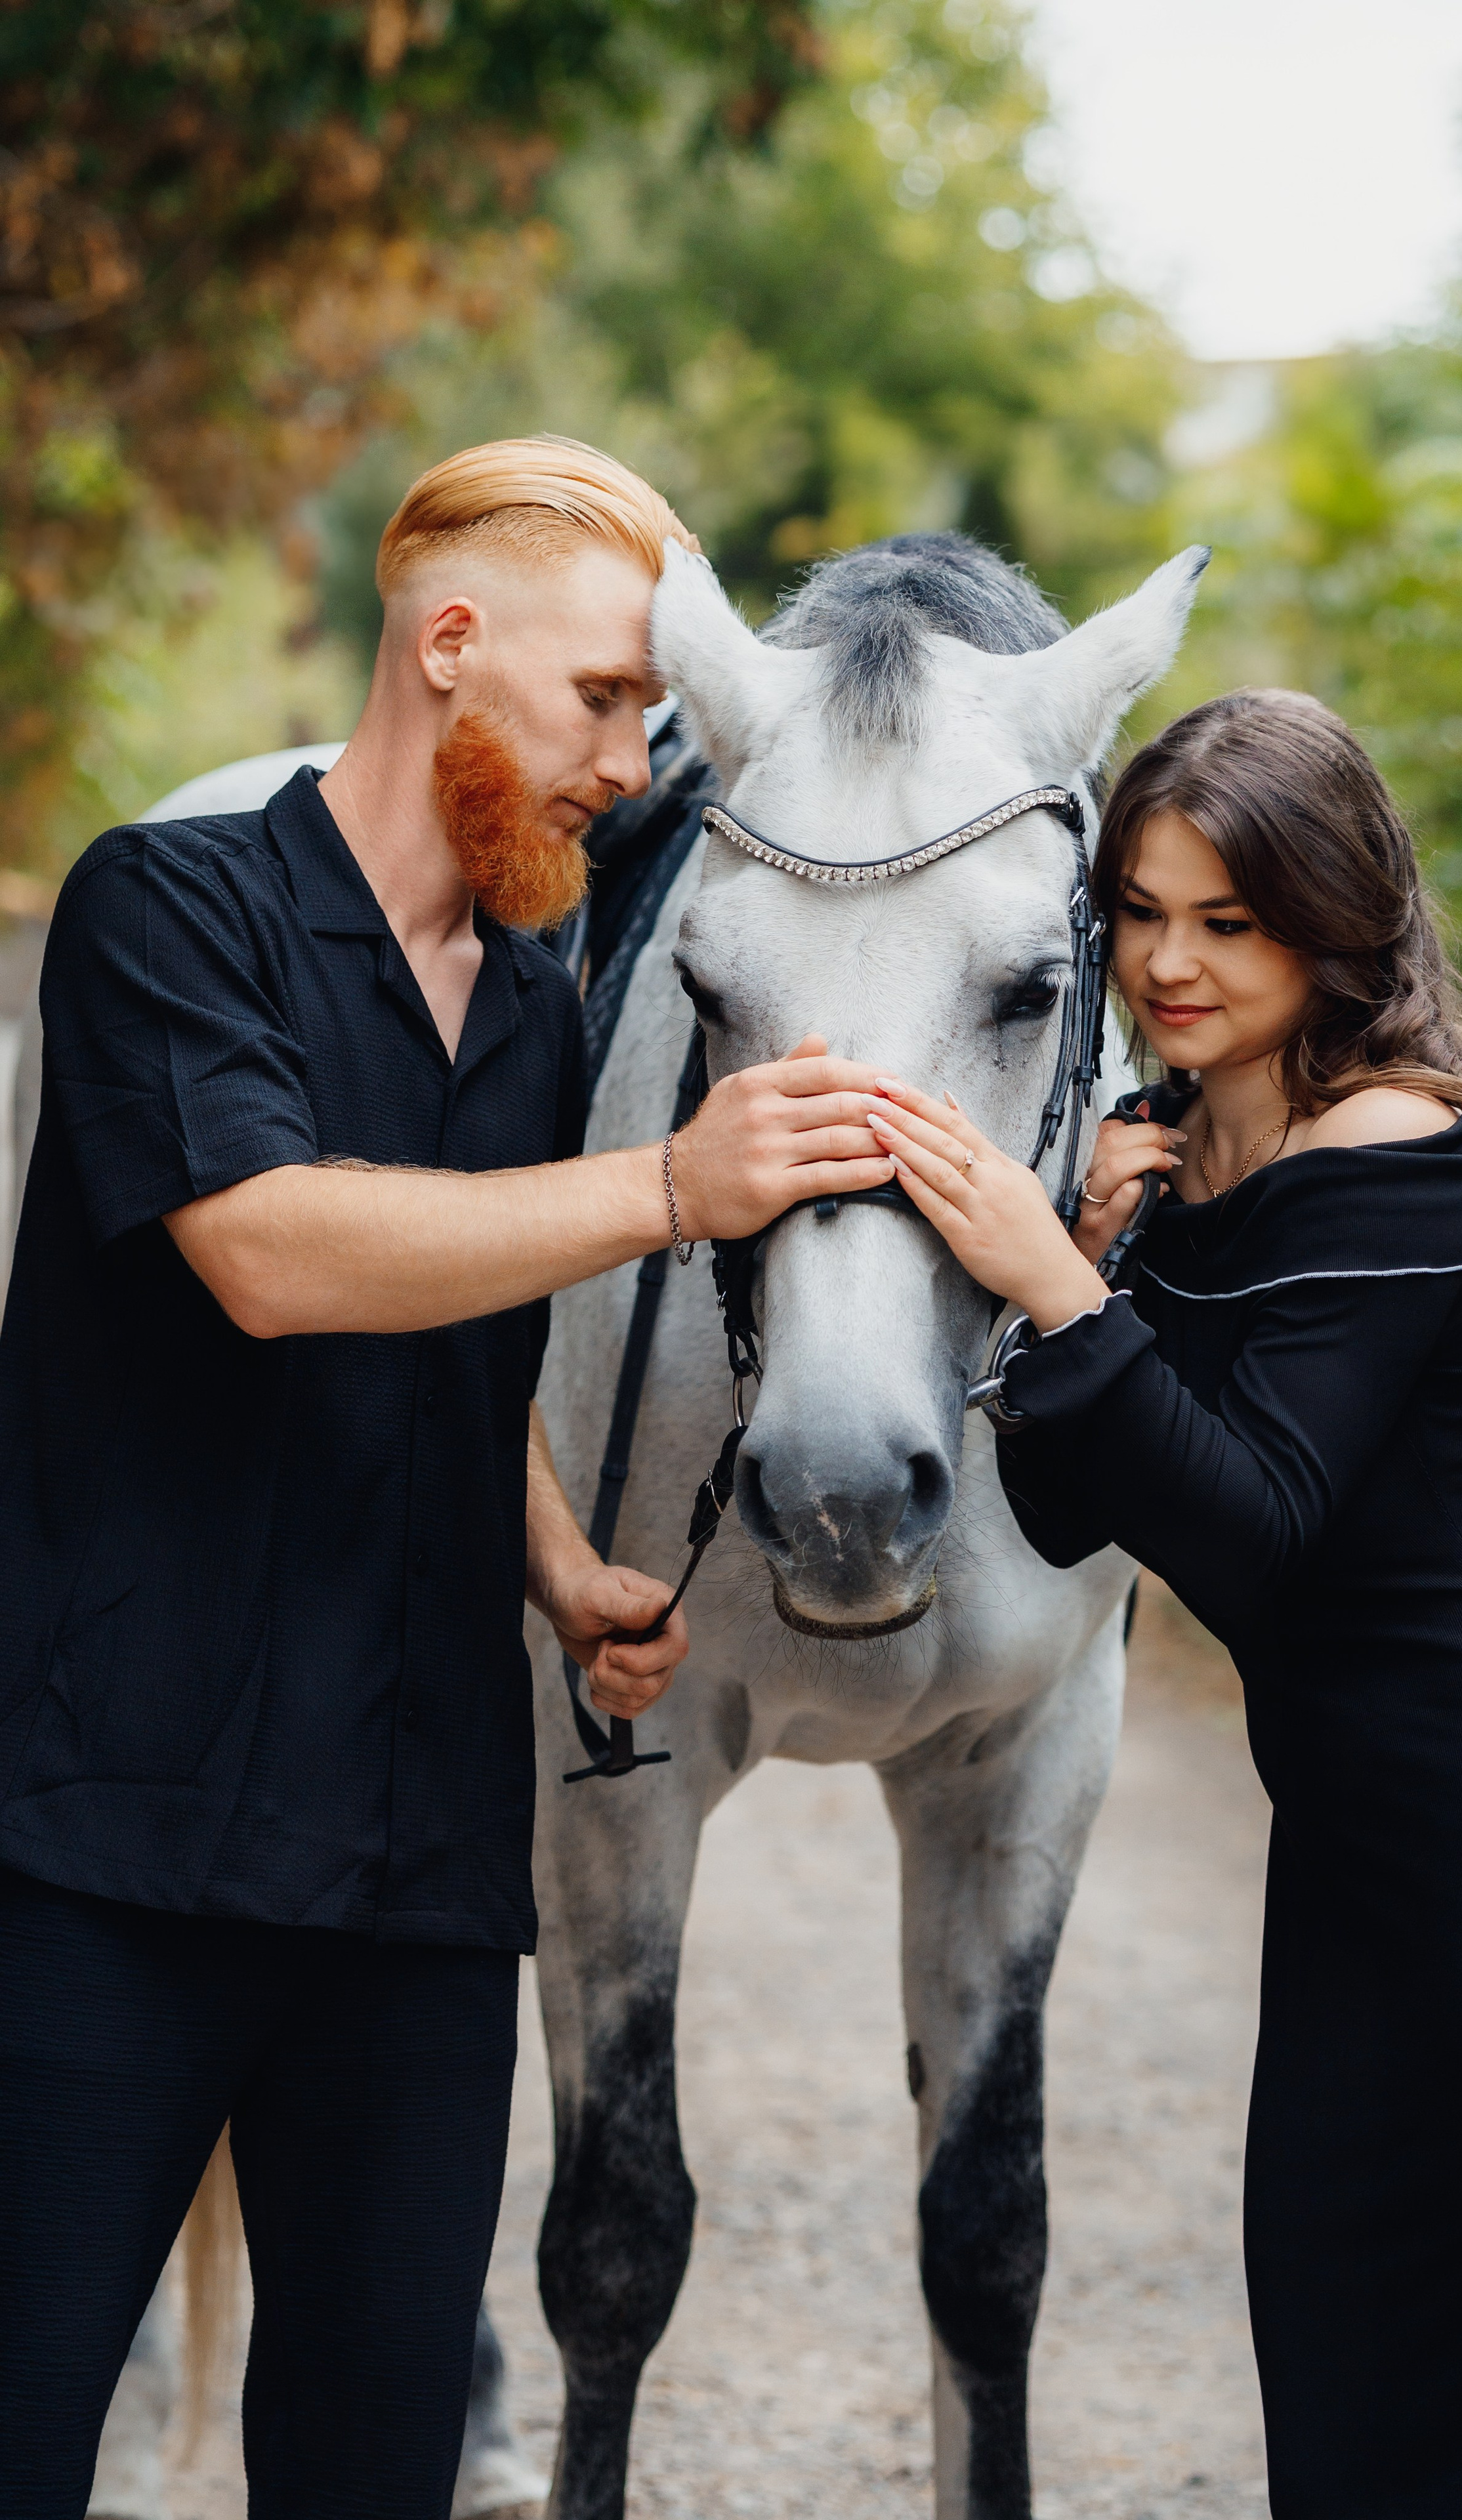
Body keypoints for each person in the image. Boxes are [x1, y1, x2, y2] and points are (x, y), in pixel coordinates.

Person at [0, 435, 895, 2519]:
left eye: (650, 719)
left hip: (415, 1877)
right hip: (114, 1850)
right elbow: (277, 1255)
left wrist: (561, 1563)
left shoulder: (537, 1007)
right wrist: (670, 1185)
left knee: (377, 2467)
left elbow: (455, 1332)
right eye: (604, 700)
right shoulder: (166, 907)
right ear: (450, 645)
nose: (627, 764)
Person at [863, 687, 1462, 2518]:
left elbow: (1254, 1534)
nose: (1171, 964)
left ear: (1334, 921)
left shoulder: (1396, 1149)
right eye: (1141, 913)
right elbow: (1066, 1513)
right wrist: (1086, 1254)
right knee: (1345, 2388)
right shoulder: (1171, 1154)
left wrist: (1060, 1294)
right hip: (1359, 1875)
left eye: (1229, 921)